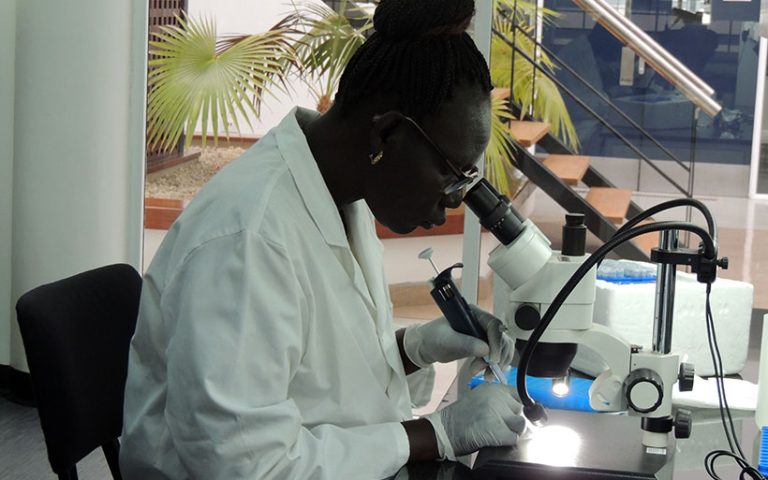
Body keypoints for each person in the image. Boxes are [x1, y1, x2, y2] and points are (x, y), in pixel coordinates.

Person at [120, 0, 526, 478]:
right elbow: (245, 465)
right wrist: (437, 432)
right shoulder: (248, 237)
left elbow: (312, 376)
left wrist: (413, 348)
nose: (454, 201)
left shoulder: (342, 192)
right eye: (452, 173)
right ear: (386, 134)